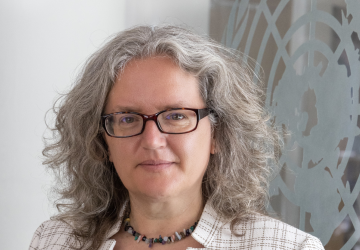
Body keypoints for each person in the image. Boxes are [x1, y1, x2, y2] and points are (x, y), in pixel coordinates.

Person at [29, 25, 324, 250]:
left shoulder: (286, 247)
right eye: (128, 118)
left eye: (176, 116)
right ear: (102, 141)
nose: (152, 141)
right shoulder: (56, 240)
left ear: (218, 135)